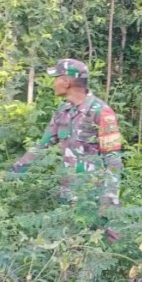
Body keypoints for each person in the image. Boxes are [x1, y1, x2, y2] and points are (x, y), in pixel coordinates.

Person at [12, 58, 123, 243]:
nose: (53, 82)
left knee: (98, 248)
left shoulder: (101, 112)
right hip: (68, 194)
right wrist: (16, 169)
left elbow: (113, 160)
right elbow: (42, 145)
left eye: (56, 77)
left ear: (67, 81)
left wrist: (109, 203)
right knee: (70, 247)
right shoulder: (63, 111)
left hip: (92, 198)